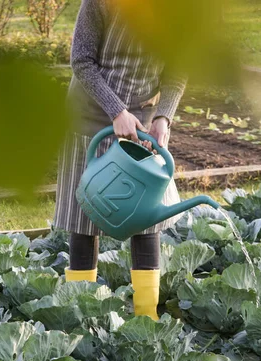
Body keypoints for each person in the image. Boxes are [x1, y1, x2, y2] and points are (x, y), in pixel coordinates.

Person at [53, 0, 187, 321]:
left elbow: (177, 72)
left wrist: (164, 117)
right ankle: (83, 316)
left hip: (141, 123)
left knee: (147, 216)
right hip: (89, 118)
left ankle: (146, 317)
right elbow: (82, 61)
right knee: (85, 217)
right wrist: (116, 110)